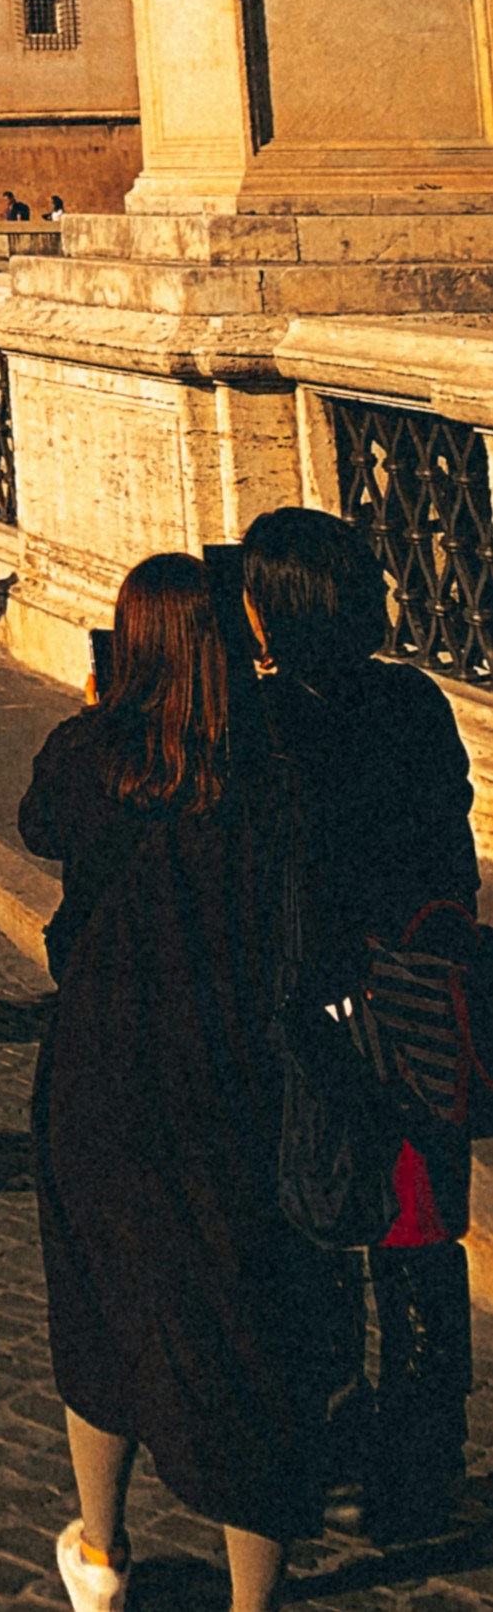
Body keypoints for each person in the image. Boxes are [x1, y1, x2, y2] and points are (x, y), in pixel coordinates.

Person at [18, 553, 338, 1612]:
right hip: (238, 1083)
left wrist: (100, 711)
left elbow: (36, 823)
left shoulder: (89, 753)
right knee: (247, 1339)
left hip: (100, 1076)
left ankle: (100, 1551)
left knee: (98, 1307)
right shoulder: (278, 770)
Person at [241, 505, 479, 1538]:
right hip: (419, 1002)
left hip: (314, 1011)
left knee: (319, 1234)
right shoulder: (412, 699)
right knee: (418, 1236)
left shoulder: (260, 719)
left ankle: (336, 1457)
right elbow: (449, 844)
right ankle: (419, 1463)